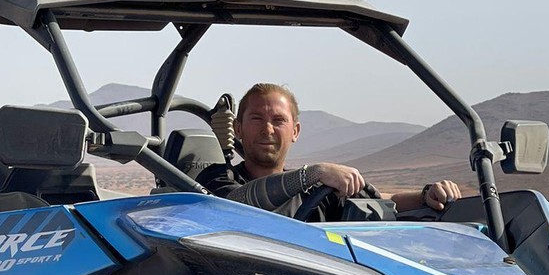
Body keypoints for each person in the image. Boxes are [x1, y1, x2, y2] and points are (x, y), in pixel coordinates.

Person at [198, 83, 462, 219]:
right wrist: (314, 173)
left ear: (295, 132)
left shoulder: (317, 192)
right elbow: (233, 205)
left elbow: (379, 201)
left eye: (278, 121)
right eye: (257, 119)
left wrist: (427, 196)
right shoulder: (216, 180)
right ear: (239, 129)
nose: (268, 129)